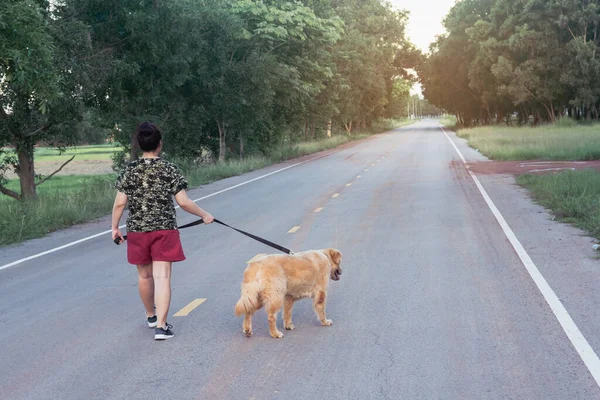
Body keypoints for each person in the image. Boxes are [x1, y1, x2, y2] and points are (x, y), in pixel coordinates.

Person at [111, 122, 214, 340]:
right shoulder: (169, 169)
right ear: (160, 144)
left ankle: (150, 315)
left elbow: (120, 203)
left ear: (140, 145)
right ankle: (161, 326)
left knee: (144, 276)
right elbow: (183, 202)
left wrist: (114, 228)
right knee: (162, 276)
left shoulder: (130, 170)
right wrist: (204, 215)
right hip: (164, 231)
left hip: (137, 231)